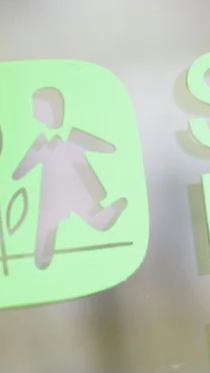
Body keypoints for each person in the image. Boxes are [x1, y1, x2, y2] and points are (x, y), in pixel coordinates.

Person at [12, 87, 126, 269]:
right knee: (48, 222)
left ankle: (100, 218)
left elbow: (99, 145)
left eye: (38, 109)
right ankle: (42, 256)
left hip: (73, 185)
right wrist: (20, 172)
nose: (35, 113)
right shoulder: (43, 142)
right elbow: (24, 166)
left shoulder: (70, 138)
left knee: (80, 210)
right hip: (53, 189)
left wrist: (108, 148)